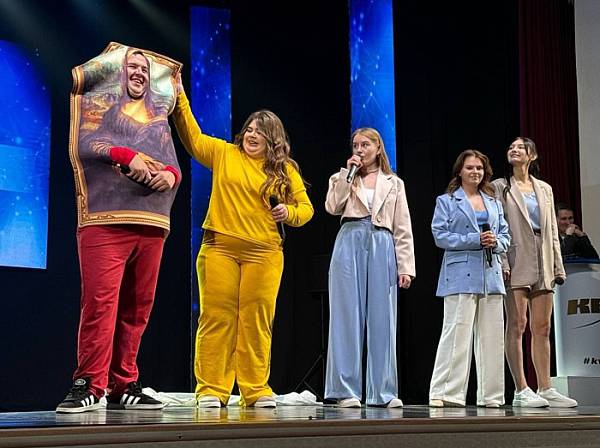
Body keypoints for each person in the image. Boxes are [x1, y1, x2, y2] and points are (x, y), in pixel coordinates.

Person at [172, 75, 314, 408]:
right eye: (249, 129)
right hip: (219, 248)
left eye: (259, 132)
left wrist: (288, 212)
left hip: (264, 254)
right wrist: (179, 98)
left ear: (272, 139)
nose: (251, 135)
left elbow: (306, 209)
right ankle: (211, 389)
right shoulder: (225, 153)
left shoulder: (285, 170)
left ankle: (255, 389)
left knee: (256, 321)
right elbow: (192, 137)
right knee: (216, 317)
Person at [57, 48, 181, 413]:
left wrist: (169, 176)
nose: (139, 73)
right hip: (107, 220)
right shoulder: (106, 111)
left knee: (138, 308)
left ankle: (123, 382)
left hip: (150, 222)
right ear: (120, 74)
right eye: (133, 67)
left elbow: (172, 162)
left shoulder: (158, 117)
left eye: (144, 69)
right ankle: (89, 382)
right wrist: (125, 155)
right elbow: (86, 143)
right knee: (100, 304)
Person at [324, 128, 415, 408]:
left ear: (378, 148)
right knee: (345, 316)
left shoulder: (394, 183)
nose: (359, 149)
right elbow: (332, 207)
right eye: (355, 145)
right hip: (349, 239)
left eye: (365, 144)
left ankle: (383, 392)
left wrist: (406, 266)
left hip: (382, 242)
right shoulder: (341, 177)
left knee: (383, 318)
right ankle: (345, 391)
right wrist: (347, 176)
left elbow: (403, 226)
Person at [492, 137, 577, 408]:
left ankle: (546, 387)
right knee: (518, 324)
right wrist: (502, 262)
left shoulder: (544, 188)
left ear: (532, 155)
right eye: (511, 147)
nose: (514, 150)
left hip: (543, 256)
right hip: (516, 255)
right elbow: (497, 226)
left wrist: (557, 266)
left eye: (520, 147)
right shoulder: (501, 187)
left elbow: (551, 229)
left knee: (542, 326)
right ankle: (521, 389)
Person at [428, 150, 510, 408]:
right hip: (460, 274)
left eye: (479, 168)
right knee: (456, 333)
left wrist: (496, 241)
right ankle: (445, 392)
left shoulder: (494, 202)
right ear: (460, 172)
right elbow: (440, 235)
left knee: (492, 337)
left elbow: (505, 236)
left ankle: (491, 395)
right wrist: (474, 239)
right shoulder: (447, 201)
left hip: (490, 273)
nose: (475, 172)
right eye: (470, 168)